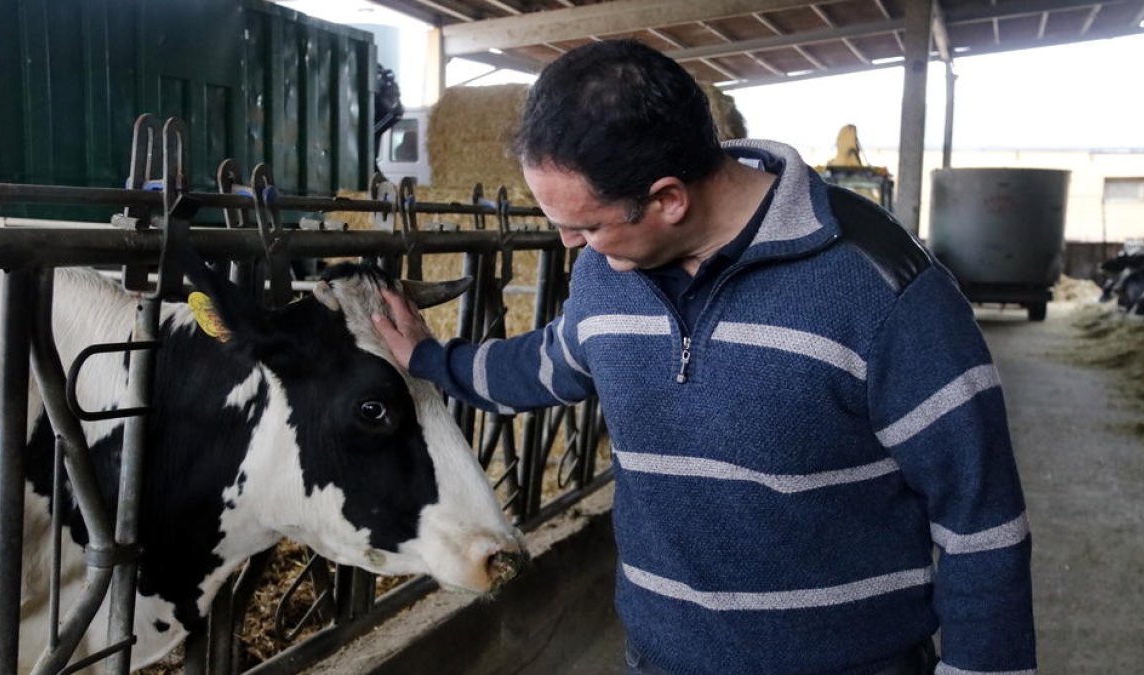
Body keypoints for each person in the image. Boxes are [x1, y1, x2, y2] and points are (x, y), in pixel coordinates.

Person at [372, 39, 1035, 675]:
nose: (570, 243)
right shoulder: (607, 273)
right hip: (661, 654)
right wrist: (433, 358)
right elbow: (552, 361)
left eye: (588, 223)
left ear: (668, 199)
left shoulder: (882, 287)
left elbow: (982, 518)